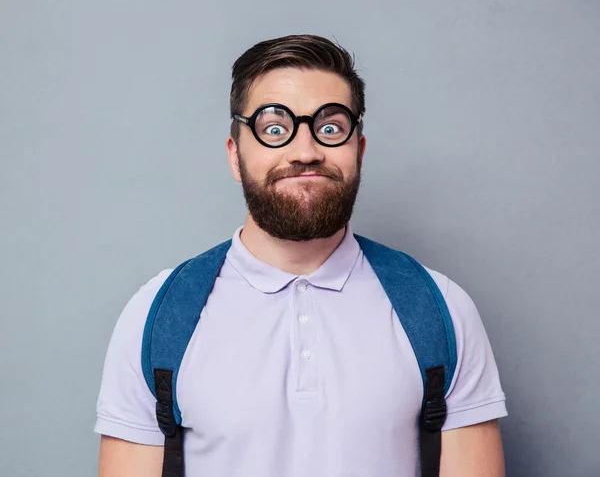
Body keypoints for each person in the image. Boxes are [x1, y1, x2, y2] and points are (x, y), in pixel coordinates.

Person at [95, 34, 507, 477]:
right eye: (274, 128)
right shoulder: (156, 315)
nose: (306, 151)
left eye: (331, 127)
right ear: (235, 156)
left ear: (359, 151)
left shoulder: (441, 307)